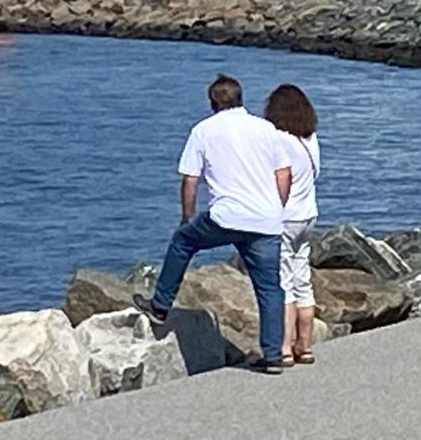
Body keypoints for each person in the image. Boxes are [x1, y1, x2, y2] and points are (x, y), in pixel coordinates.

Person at [133, 75, 292, 374]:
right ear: (241, 98)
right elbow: (284, 174)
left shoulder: (203, 131)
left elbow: (190, 180)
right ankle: (273, 355)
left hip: (227, 216)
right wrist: (276, 208)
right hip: (266, 219)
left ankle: (160, 305)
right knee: (270, 288)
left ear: (212, 102)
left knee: (183, 242)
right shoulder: (266, 129)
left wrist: (186, 217)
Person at [264, 84, 320, 367]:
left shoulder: (280, 140)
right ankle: (306, 346)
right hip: (309, 216)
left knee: (284, 284)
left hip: (286, 217)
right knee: (303, 282)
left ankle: (285, 347)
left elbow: (281, 178)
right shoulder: (311, 138)